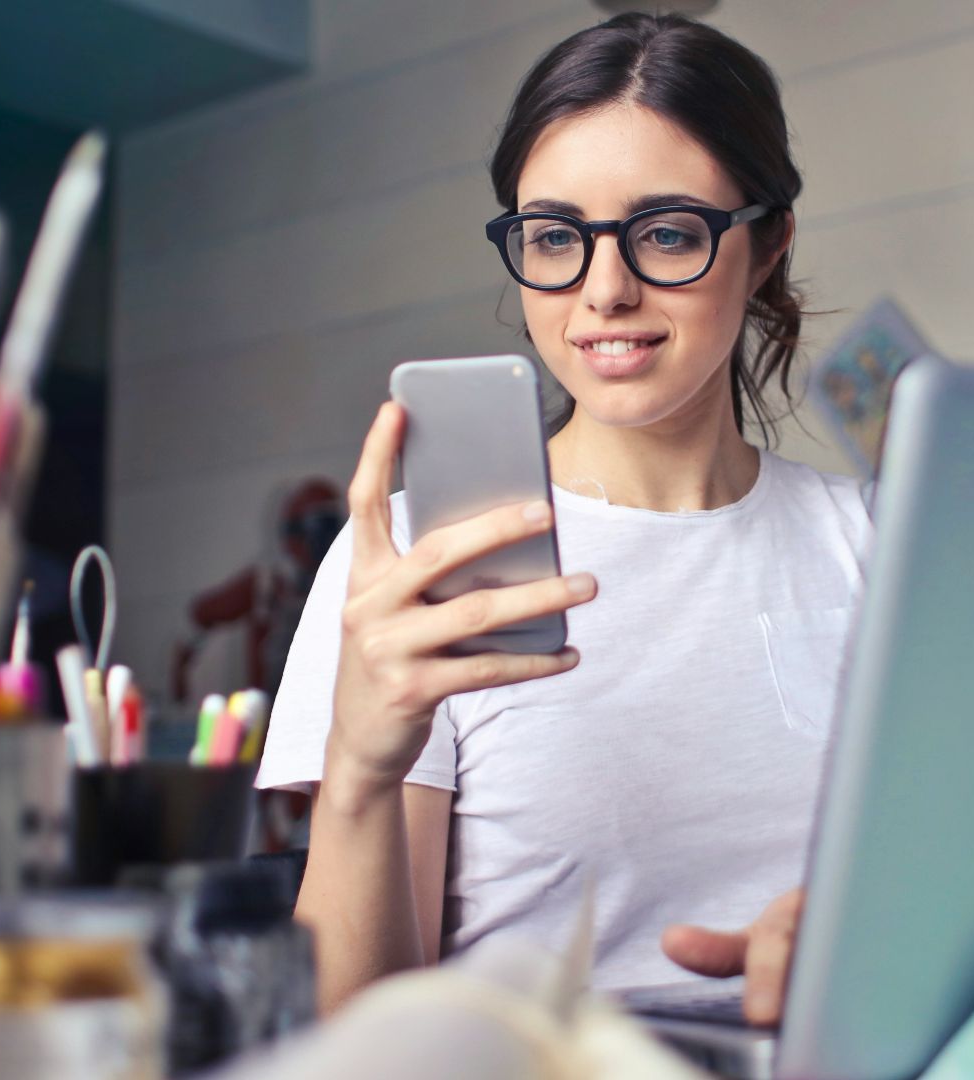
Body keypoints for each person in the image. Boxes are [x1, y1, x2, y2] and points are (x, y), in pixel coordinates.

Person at [258, 12, 871, 1026]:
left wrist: (868, 941)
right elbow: (357, 1038)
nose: (605, 290)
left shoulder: (877, 547)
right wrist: (362, 770)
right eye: (555, 238)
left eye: (668, 232)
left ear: (767, 246)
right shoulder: (422, 562)